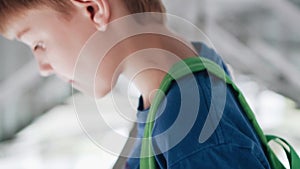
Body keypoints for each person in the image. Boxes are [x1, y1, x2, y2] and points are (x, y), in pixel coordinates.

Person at [0, 0, 271, 168]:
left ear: (93, 8)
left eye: (38, 44)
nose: (43, 68)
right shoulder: (182, 80)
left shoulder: (193, 129)